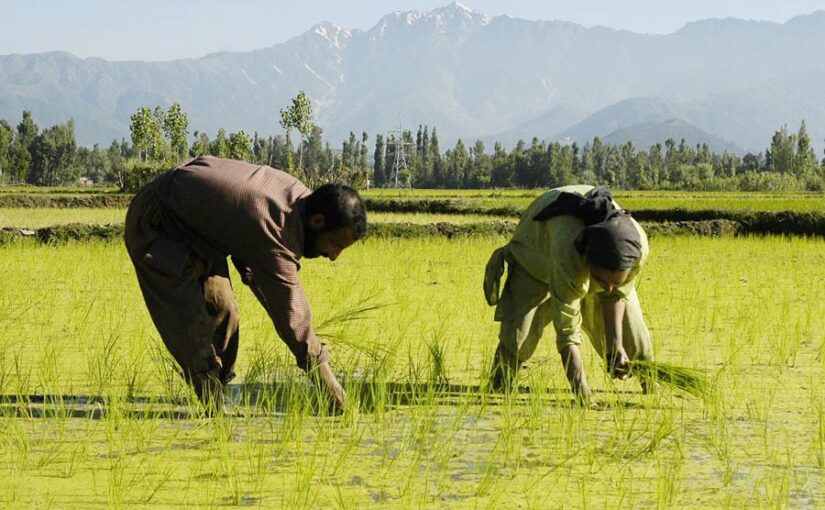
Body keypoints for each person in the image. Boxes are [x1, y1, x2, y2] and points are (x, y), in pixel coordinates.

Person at [125, 155, 366, 412]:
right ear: (318, 222)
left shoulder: (303, 201)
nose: (333, 256)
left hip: (202, 228)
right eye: (336, 245)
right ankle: (212, 408)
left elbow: (256, 263)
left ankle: (218, 394)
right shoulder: (275, 228)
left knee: (223, 310)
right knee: (193, 326)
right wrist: (332, 390)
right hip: (161, 222)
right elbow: (292, 318)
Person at [483, 185, 654, 406]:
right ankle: (499, 384)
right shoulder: (568, 255)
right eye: (601, 281)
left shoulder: (636, 247)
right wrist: (582, 393)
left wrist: (616, 345)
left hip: (582, 254)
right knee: (519, 335)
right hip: (535, 253)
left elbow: (616, 296)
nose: (608, 288)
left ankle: (651, 385)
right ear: (588, 264)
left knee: (635, 333)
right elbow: (567, 334)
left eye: (615, 282)